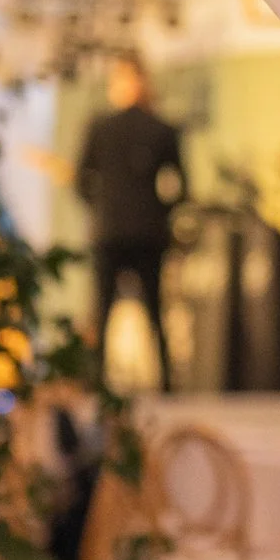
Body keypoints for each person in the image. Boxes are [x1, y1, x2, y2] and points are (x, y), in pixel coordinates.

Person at [74, 55, 185, 365]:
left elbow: (81, 181)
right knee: (145, 311)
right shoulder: (155, 129)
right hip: (141, 231)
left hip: (117, 231)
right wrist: (160, 211)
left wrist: (101, 207)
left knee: (119, 310)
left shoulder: (107, 128)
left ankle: (102, 382)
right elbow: (182, 187)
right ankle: (160, 383)